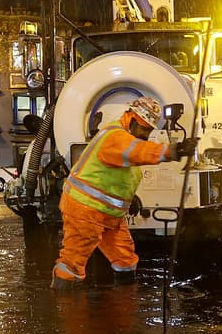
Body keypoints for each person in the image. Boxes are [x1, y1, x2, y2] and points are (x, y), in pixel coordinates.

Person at [51, 95, 197, 287]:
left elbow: (120, 173)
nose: (146, 135)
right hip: (85, 210)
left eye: (149, 130)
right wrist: (173, 151)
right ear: (131, 118)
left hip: (107, 214)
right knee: (72, 263)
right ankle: (64, 308)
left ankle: (123, 305)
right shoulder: (115, 136)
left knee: (125, 260)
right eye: (144, 128)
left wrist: (130, 198)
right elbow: (140, 152)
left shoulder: (123, 138)